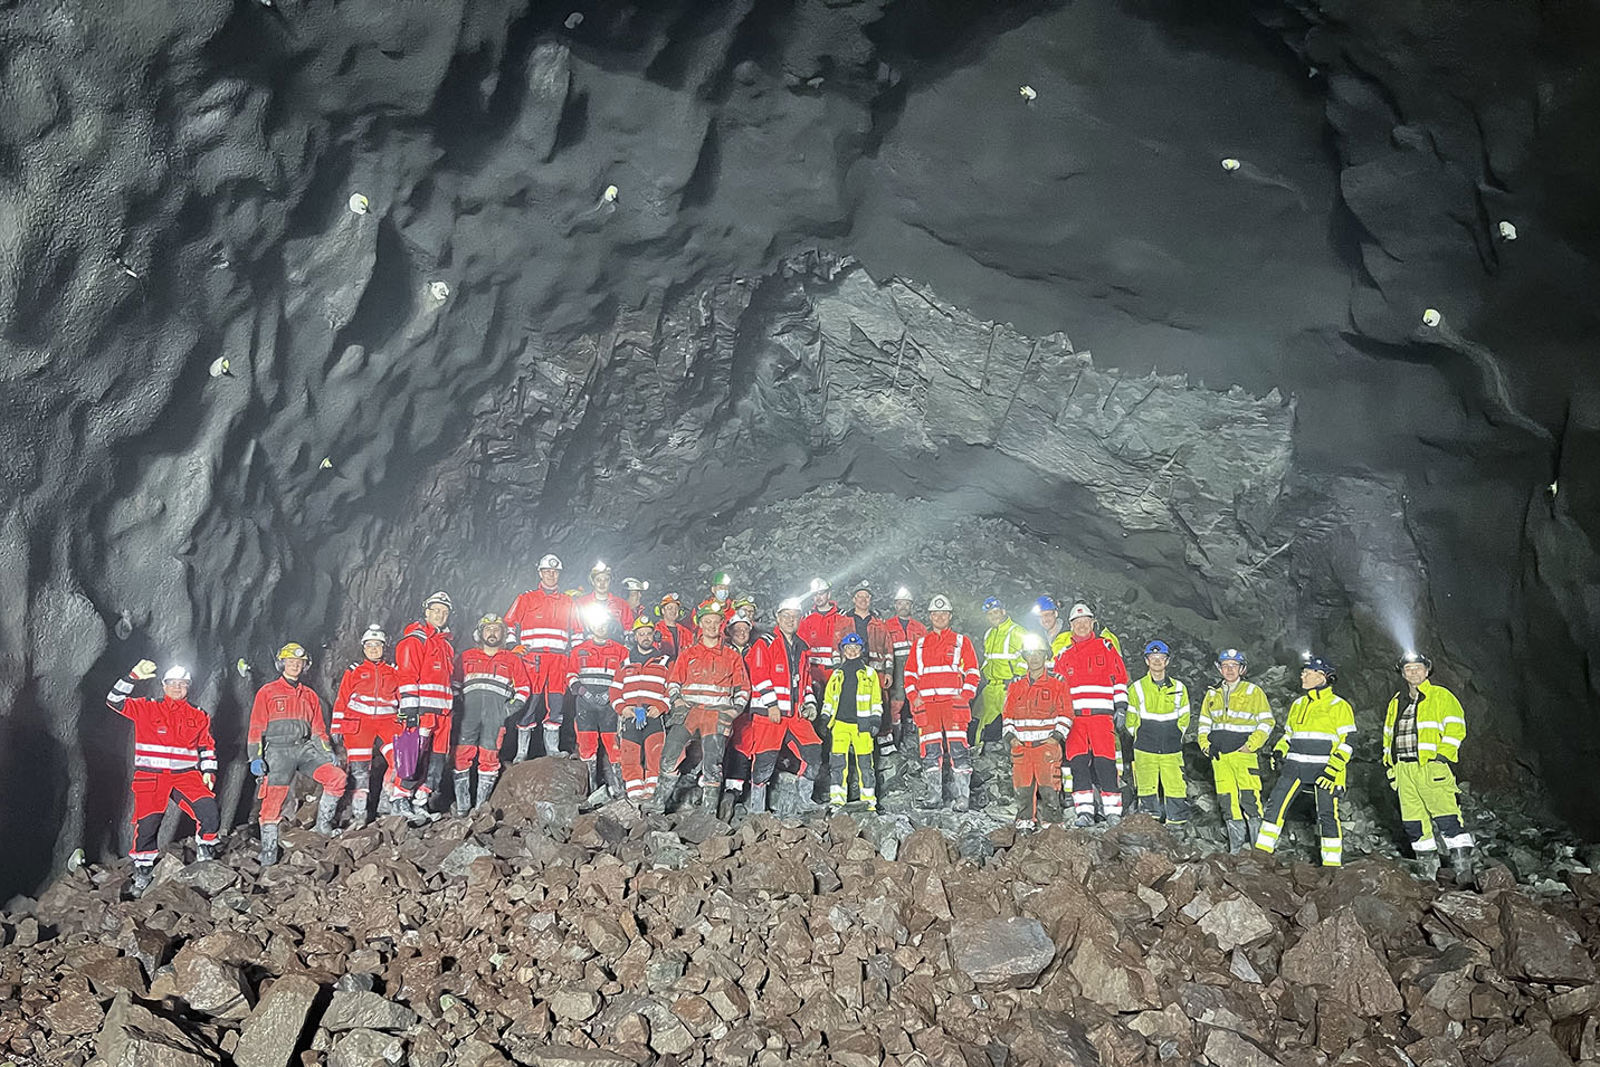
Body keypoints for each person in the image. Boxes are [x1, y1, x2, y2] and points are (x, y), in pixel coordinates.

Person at [106, 661, 220, 894]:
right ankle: (143, 871)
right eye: (173, 683)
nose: (178, 688)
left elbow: (207, 746)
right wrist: (132, 676)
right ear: (164, 685)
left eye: (183, 684)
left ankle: (205, 852)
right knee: (148, 825)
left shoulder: (198, 715)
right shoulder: (147, 707)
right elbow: (114, 700)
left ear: (189, 687)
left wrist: (209, 771)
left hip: (186, 776)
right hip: (152, 777)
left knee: (209, 811)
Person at [249, 643, 346, 865]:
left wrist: (326, 751)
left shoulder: (310, 695)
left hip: (304, 749)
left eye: (299, 662)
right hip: (277, 751)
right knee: (273, 801)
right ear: (282, 663)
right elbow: (256, 727)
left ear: (304, 666)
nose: (295, 665)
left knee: (337, 777)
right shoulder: (268, 692)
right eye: (291, 661)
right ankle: (269, 851)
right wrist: (255, 756)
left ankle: (323, 826)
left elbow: (318, 730)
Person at [1383, 651, 1475, 885]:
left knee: (1447, 819)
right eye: (1408, 669)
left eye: (1418, 667)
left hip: (1430, 768)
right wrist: (1389, 764)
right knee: (1414, 823)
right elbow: (1388, 735)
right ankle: (1428, 874)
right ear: (1402, 674)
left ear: (1427, 671)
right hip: (1404, 771)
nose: (1413, 672)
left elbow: (1456, 727)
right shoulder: (1397, 701)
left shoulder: (1441, 696)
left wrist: (1441, 757)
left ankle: (1464, 872)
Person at [1255, 654, 1355, 867]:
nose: (1303, 676)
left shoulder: (1339, 706)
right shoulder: (1299, 704)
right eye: (1303, 672)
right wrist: (1279, 751)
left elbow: (1348, 741)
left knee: (1327, 815)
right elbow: (1289, 735)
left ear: (1322, 677)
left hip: (1325, 771)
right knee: (1275, 806)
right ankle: (1261, 856)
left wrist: (1333, 769)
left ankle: (1331, 866)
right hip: (1295, 768)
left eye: (1307, 673)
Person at [656, 601, 751, 814]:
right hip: (689, 712)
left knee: (713, 764)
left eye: (715, 622)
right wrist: (677, 700)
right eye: (707, 622)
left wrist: (735, 710)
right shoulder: (689, 653)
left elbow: (743, 688)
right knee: (670, 754)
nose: (711, 626)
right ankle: (658, 803)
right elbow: (673, 682)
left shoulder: (732, 656)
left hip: (717, 716)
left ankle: (708, 813)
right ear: (700, 625)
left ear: (721, 625)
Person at [744, 598, 826, 815]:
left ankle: (804, 802)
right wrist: (771, 704)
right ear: (778, 618)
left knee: (814, 752)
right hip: (769, 714)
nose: (791, 620)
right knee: (764, 760)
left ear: (800, 619)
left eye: (795, 616)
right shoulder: (766, 642)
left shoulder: (801, 647)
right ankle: (757, 809)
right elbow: (759, 675)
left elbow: (806, 681)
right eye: (786, 616)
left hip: (796, 715)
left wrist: (810, 704)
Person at [1053, 603, 1129, 826]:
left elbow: (1120, 678)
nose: (1082, 625)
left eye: (1086, 621)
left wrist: (1121, 707)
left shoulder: (1106, 647)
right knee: (1078, 764)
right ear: (1071, 626)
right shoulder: (1063, 655)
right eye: (1078, 622)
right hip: (1075, 719)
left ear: (1093, 623)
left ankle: (1112, 811)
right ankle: (1084, 811)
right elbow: (1057, 689)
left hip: (1101, 716)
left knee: (1106, 763)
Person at [904, 594, 981, 811]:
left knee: (959, 750)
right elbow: (909, 674)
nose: (939, 617)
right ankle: (934, 797)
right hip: (927, 707)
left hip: (953, 707)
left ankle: (962, 798)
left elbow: (973, 673)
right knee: (930, 752)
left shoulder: (960, 641)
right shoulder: (919, 644)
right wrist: (914, 697)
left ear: (950, 616)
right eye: (935, 613)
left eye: (943, 613)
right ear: (930, 616)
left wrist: (964, 696)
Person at [1197, 648, 1274, 851]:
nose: (1229, 670)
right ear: (1219, 669)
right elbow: (1204, 724)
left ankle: (1259, 850)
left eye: (1234, 665)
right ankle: (1236, 849)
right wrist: (1205, 746)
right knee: (1227, 802)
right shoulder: (1212, 694)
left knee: (1250, 800)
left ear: (1242, 669)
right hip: (1220, 758)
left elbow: (1266, 722)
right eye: (1225, 665)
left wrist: (1251, 745)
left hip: (1243, 756)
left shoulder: (1253, 692)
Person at [453, 615, 530, 814]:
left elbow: (523, 689)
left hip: (494, 719)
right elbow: (454, 685)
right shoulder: (466, 656)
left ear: (503, 634)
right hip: (468, 717)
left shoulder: (511, 659)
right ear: (480, 633)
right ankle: (462, 808)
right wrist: (458, 708)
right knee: (461, 757)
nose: (492, 633)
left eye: (497, 629)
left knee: (489, 758)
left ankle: (480, 808)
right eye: (488, 629)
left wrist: (507, 710)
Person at [505, 554, 579, 760]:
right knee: (529, 703)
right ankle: (521, 752)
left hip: (558, 660)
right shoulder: (526, 598)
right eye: (547, 571)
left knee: (556, 703)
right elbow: (509, 623)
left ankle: (552, 750)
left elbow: (579, 631)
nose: (551, 575)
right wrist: (513, 645)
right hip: (532, 659)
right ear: (540, 573)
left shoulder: (568, 601)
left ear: (559, 574)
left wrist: (576, 656)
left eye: (555, 572)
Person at [331, 625, 402, 828]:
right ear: (363, 648)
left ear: (384, 647)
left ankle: (385, 808)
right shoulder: (355, 671)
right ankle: (359, 815)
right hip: (359, 722)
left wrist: (404, 721)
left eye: (377, 645)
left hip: (388, 721)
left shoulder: (394, 671)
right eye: (369, 645)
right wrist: (337, 725)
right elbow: (342, 698)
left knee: (400, 761)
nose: (373, 649)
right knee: (360, 770)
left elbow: (403, 699)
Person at [395, 592, 458, 816]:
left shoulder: (447, 646)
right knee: (412, 757)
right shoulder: (415, 640)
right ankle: (400, 799)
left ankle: (420, 802)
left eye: (444, 611)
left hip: (443, 714)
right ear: (426, 611)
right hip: (420, 712)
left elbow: (448, 680)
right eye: (436, 610)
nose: (440, 615)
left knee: (438, 760)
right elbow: (406, 676)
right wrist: (409, 711)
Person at [1001, 637, 1072, 829]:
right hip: (1022, 747)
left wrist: (1056, 737)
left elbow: (1066, 713)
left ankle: (1053, 826)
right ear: (1025, 657)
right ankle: (1024, 823)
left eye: (1038, 654)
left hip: (1045, 746)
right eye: (1030, 654)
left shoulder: (1057, 683)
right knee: (1022, 788)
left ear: (1045, 656)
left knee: (1049, 788)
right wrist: (1010, 737)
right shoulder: (1016, 684)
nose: (1034, 658)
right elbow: (1007, 714)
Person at [1126, 640, 1191, 827]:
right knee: (1146, 787)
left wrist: (1176, 734)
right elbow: (1131, 720)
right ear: (1147, 661)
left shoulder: (1179, 688)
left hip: (1171, 747)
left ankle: (1177, 825)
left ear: (1167, 661)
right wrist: (1140, 735)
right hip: (1145, 747)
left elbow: (1185, 716)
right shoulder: (1137, 688)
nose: (1156, 661)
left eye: (1160, 658)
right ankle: (1149, 827)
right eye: (1152, 657)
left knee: (1176, 786)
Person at [566, 607, 629, 797]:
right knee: (587, 746)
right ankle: (592, 790)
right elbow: (570, 675)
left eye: (604, 624)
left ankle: (619, 789)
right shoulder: (579, 650)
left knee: (614, 745)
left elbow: (626, 677)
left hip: (610, 706)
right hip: (585, 706)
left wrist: (611, 693)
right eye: (597, 624)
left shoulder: (621, 651)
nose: (601, 627)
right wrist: (584, 692)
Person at [610, 617, 672, 802]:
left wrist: (662, 706)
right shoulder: (625, 663)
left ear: (654, 635)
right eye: (641, 634)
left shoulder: (665, 661)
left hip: (653, 713)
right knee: (629, 752)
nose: (645, 637)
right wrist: (622, 708)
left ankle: (652, 790)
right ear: (635, 637)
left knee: (655, 752)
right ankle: (634, 791)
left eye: (648, 633)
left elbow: (673, 687)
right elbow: (614, 690)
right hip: (630, 714)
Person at [821, 632, 882, 810]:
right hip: (839, 725)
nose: (852, 651)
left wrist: (876, 720)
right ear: (843, 651)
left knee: (865, 764)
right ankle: (837, 800)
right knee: (838, 764)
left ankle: (869, 802)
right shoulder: (837, 674)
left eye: (856, 648)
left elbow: (876, 701)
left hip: (862, 727)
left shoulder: (870, 674)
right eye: (848, 648)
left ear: (861, 650)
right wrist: (824, 718)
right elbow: (829, 700)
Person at [719, 601, 762, 817]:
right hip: (723, 705)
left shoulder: (756, 652)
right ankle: (712, 784)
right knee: (717, 743)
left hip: (747, 708)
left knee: (743, 744)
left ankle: (734, 786)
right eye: (738, 629)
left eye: (746, 629)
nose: (742, 633)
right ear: (730, 631)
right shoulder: (722, 651)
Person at [975, 597, 1028, 747]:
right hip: (991, 687)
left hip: (1008, 687)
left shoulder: (1018, 632)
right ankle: (980, 755)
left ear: (1003, 611)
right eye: (989, 614)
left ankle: (1013, 760)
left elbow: (1028, 661)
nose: (993, 616)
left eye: (996, 612)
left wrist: (1018, 681)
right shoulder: (989, 634)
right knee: (980, 723)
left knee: (1011, 725)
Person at [881, 587, 926, 758]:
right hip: (897, 670)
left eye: (906, 603)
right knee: (896, 704)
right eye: (900, 603)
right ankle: (896, 741)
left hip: (915, 670)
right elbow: (886, 650)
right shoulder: (887, 625)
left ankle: (919, 743)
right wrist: (888, 672)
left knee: (918, 703)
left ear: (911, 605)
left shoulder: (920, 628)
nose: (903, 606)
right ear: (895, 605)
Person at [797, 578, 840, 702]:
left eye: (821, 593)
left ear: (829, 594)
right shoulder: (806, 618)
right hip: (813, 669)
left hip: (834, 669)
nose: (818, 597)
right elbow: (800, 644)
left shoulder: (841, 616)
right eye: (815, 594)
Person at [574, 560, 635, 630]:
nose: (602, 583)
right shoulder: (581, 603)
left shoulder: (622, 604)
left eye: (606, 580)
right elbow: (575, 626)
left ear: (610, 582)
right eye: (598, 580)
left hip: (615, 640)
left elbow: (629, 628)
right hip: (588, 640)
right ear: (593, 582)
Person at [653, 593, 695, 661]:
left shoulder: (686, 633)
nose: (673, 611)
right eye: (670, 608)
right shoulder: (655, 631)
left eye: (676, 608)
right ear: (663, 611)